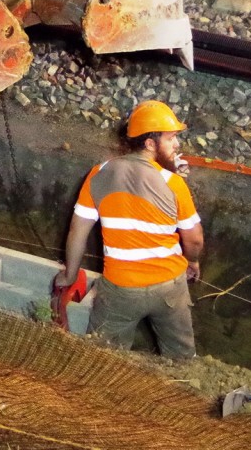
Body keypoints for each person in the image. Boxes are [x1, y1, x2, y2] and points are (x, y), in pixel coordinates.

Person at [54, 100, 204, 358]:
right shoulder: (174, 183)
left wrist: (69, 275)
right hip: (169, 287)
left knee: (105, 359)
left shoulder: (98, 174)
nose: (177, 145)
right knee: (180, 359)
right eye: (170, 139)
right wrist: (192, 261)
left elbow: (77, 233)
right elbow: (195, 241)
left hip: (120, 290)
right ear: (149, 143)